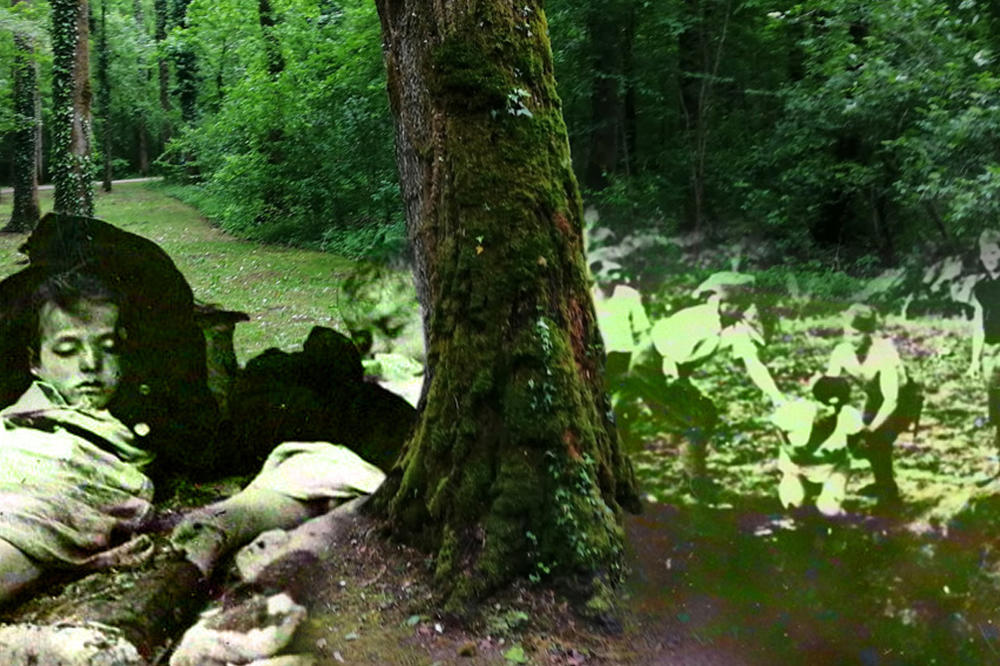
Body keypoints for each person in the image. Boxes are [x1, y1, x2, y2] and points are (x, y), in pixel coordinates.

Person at [0, 270, 384, 604]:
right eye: (67, 350)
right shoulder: (18, 409)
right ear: (35, 362)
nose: (90, 364)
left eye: (108, 347)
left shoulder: (145, 416)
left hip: (56, 483)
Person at [644, 271, 784, 500]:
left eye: (745, 304)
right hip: (650, 364)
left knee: (703, 414)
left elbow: (753, 363)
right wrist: (677, 383)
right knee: (694, 420)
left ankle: (691, 473)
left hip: (674, 370)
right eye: (738, 304)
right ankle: (696, 484)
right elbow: (668, 352)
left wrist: (776, 396)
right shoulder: (697, 319)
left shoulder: (735, 326)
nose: (743, 310)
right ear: (720, 302)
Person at [826, 304, 920, 507]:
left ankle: (890, 497)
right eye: (846, 333)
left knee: (878, 439)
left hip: (903, 400)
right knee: (856, 440)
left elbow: (891, 400)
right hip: (875, 398)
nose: (850, 339)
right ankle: (881, 482)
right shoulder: (841, 351)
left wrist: (870, 429)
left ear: (868, 334)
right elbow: (829, 386)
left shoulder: (884, 352)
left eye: (856, 334)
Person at [771, 376, 863, 518]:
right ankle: (802, 488)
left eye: (837, 406)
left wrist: (843, 455)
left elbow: (856, 437)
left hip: (831, 468)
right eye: (826, 404)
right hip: (798, 469)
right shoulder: (798, 411)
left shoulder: (849, 416)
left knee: (829, 510)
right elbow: (778, 426)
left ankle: (830, 496)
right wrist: (787, 447)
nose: (832, 410)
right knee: (793, 503)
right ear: (815, 400)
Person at [592, 259, 653, 449]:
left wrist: (639, 356)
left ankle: (621, 441)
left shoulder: (628, 295)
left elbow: (642, 330)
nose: (616, 277)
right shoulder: (588, 296)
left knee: (620, 399)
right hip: (595, 355)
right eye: (611, 272)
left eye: (618, 272)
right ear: (596, 273)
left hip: (623, 355)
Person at [968, 229, 1000, 481]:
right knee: (995, 403)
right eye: (985, 253)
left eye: (994, 252)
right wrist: (974, 360)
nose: (989, 257)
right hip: (990, 350)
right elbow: (978, 326)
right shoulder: (980, 288)